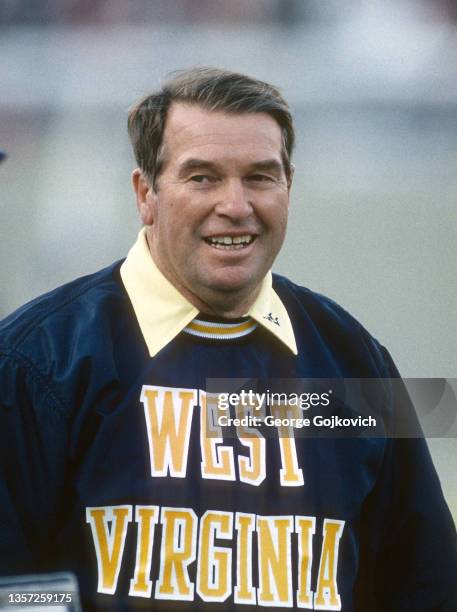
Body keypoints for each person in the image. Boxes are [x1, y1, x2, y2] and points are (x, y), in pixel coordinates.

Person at [0, 68, 455, 611]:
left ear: (290, 186)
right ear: (146, 193)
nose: (236, 205)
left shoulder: (354, 360)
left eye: (261, 177)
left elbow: (425, 585)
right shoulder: (36, 361)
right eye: (202, 178)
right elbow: (11, 588)